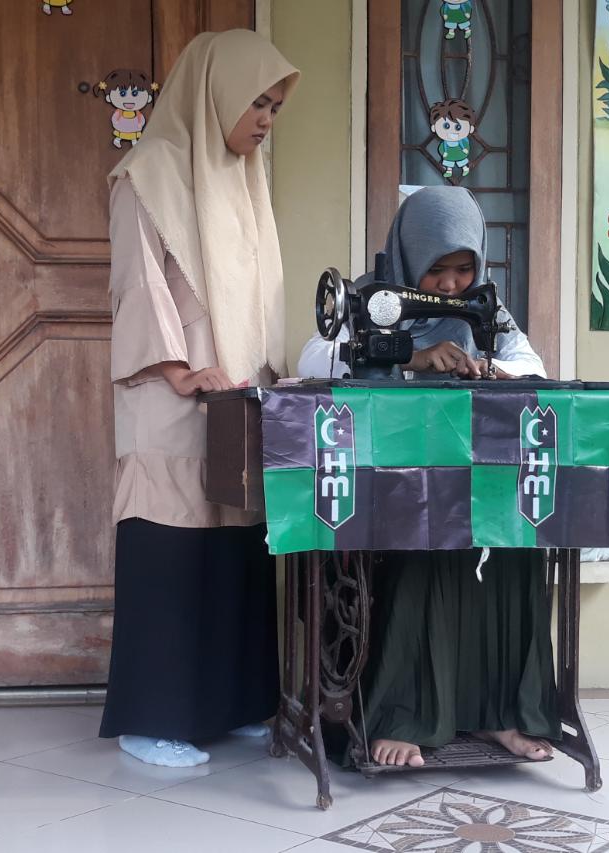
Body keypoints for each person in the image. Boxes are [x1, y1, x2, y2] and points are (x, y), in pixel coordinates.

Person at [297, 186, 559, 768]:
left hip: (467, 471)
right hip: (388, 475)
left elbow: (533, 366)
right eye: (437, 269)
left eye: (464, 269)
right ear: (410, 254)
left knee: (517, 545)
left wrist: (493, 367)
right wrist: (407, 356)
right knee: (422, 542)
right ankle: (399, 715)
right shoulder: (370, 299)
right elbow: (311, 359)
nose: (450, 285)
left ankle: (499, 713)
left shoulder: (487, 309)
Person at [98, 30, 301, 769]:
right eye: (257, 102)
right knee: (171, 547)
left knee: (234, 544)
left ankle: (233, 702)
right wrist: (180, 371)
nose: (266, 119)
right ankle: (150, 718)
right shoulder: (146, 172)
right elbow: (138, 283)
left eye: (274, 107)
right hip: (171, 390)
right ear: (215, 93)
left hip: (236, 394)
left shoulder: (242, 178)